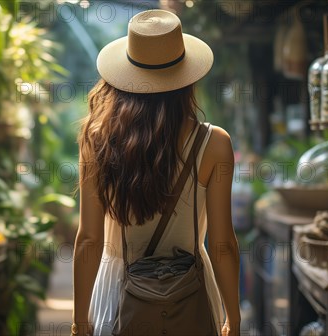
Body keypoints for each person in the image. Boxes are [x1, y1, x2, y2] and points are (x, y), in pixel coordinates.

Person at [73, 9, 240, 336]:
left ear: (125, 77)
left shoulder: (99, 140)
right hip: (190, 292)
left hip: (119, 291)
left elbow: (89, 240)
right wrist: (233, 320)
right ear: (187, 79)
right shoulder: (215, 144)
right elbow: (223, 245)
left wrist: (80, 322)